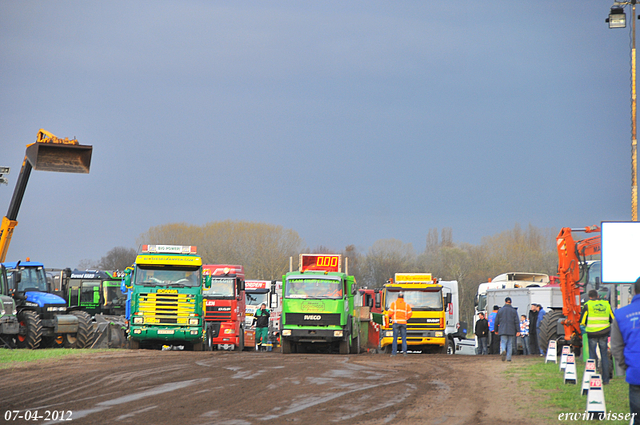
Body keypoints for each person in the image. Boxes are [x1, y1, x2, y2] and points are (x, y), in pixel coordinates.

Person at [611, 277, 640, 420]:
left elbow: (616, 347)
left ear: (634, 291)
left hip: (636, 373)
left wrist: (627, 366)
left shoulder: (621, 314)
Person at [581, 290, 615, 385]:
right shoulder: (606, 304)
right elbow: (612, 318)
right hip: (604, 333)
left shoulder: (588, 305)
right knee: (604, 355)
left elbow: (582, 321)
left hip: (592, 333)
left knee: (592, 356)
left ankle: (592, 377)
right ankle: (606, 380)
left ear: (590, 297)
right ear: (597, 295)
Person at [495, 297, 520, 362]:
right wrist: (518, 330)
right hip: (511, 330)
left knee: (503, 342)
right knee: (510, 344)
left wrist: (496, 330)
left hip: (502, 329)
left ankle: (503, 350)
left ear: (505, 301)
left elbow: (496, 321)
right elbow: (516, 321)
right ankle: (509, 358)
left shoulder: (500, 310)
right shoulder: (514, 311)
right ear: (511, 302)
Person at [389, 291, 412, 357]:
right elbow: (410, 313)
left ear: (398, 297)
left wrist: (391, 316)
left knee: (395, 338)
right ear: (403, 297)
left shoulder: (394, 304)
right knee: (404, 338)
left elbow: (390, 313)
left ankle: (394, 353)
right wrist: (406, 318)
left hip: (396, 323)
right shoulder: (406, 305)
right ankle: (404, 352)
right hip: (403, 323)